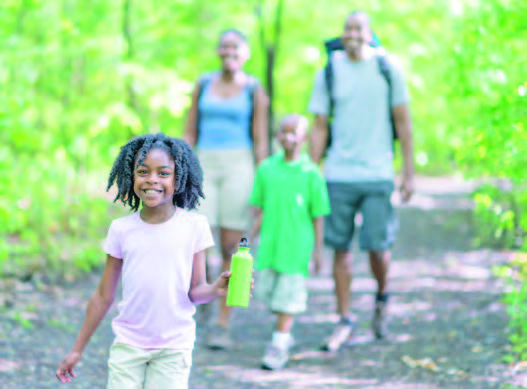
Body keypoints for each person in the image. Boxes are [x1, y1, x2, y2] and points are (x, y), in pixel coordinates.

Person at [55, 133, 237, 388]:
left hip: (174, 346)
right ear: (131, 176)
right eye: (143, 171)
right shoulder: (121, 229)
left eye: (163, 173)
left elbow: (195, 291)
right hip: (128, 345)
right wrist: (77, 349)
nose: (152, 179)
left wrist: (217, 288)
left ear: (178, 178)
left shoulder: (194, 226)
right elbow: (103, 296)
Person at [308, 11, 415, 351]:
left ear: (369, 34)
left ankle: (382, 297)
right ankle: (345, 319)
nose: (352, 34)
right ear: (342, 34)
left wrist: (408, 171)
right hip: (339, 173)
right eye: (347, 29)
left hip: (378, 173)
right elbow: (320, 124)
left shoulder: (388, 68)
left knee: (378, 248)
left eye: (359, 29)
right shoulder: (329, 71)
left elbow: (403, 122)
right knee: (340, 248)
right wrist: (311, 170)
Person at [183, 28, 269, 350]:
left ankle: (223, 320)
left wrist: (262, 186)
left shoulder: (254, 88)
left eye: (236, 47)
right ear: (218, 51)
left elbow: (260, 138)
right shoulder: (203, 83)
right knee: (197, 241)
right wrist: (178, 168)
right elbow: (189, 130)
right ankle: (199, 298)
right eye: (224, 47)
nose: (229, 52)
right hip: (204, 162)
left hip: (239, 165)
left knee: (232, 246)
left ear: (245, 53)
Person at [249, 114, 331, 370]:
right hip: (270, 248)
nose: (289, 138)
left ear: (305, 138)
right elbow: (259, 209)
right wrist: (247, 239)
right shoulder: (266, 169)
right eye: (283, 132)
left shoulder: (311, 173)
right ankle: (283, 334)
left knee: (287, 299)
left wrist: (318, 252)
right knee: (270, 297)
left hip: (296, 248)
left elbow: (318, 215)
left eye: (295, 132)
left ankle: (279, 344)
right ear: (276, 136)